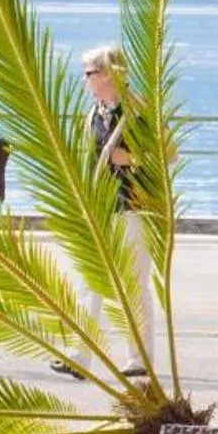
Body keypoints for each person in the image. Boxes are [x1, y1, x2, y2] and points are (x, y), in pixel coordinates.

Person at [59, 45, 154, 378]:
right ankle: (79, 355)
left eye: (89, 72)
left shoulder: (138, 111)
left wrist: (127, 159)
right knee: (89, 281)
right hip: (101, 209)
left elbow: (165, 155)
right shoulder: (93, 114)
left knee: (134, 284)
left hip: (133, 208)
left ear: (108, 74)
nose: (85, 79)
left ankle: (139, 358)